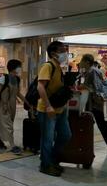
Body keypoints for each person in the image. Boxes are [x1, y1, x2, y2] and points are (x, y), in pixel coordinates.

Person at [37, 41, 72, 176]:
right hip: (48, 109)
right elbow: (40, 86)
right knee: (47, 138)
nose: (65, 53)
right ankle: (45, 165)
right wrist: (48, 106)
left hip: (60, 108)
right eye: (62, 50)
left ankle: (50, 159)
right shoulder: (48, 66)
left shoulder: (58, 66)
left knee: (65, 135)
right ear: (53, 53)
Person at [79, 54, 107, 154]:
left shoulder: (93, 71)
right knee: (94, 122)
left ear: (87, 61)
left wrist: (83, 86)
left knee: (101, 122)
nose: (80, 62)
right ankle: (86, 145)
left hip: (95, 102)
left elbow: (97, 88)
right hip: (91, 102)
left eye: (82, 60)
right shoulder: (89, 71)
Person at [0, 59, 30, 154]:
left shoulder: (17, 79)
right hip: (4, 106)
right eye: (19, 67)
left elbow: (17, 93)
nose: (20, 69)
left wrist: (26, 101)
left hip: (12, 106)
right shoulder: (3, 78)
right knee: (8, 126)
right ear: (13, 68)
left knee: (9, 123)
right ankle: (12, 146)